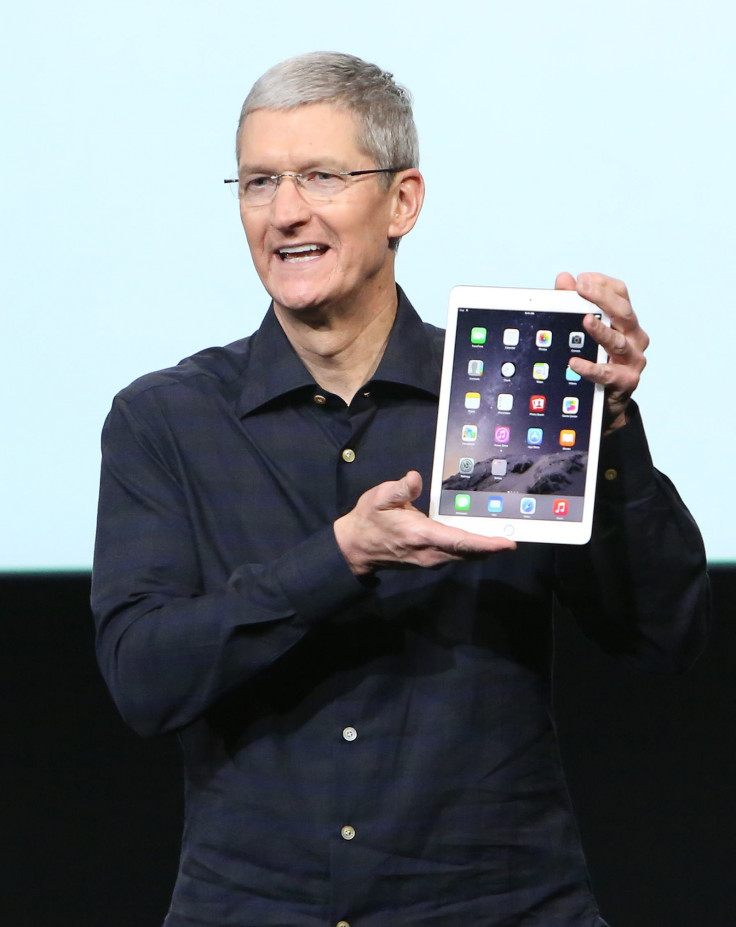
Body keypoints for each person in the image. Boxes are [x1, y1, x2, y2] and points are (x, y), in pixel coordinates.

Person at [91, 52, 709, 927]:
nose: (285, 211)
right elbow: (143, 679)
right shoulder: (169, 419)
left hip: (499, 906)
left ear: (404, 201)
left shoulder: (502, 391)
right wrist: (338, 556)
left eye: (321, 176)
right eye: (259, 181)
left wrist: (607, 431)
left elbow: (659, 637)